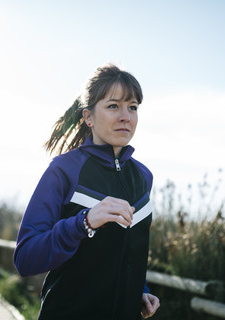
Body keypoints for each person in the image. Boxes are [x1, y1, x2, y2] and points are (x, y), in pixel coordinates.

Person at [14, 64, 160, 320]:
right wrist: (83, 222)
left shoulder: (143, 177)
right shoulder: (64, 170)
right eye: (113, 106)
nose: (126, 116)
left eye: (133, 107)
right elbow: (26, 258)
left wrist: (139, 289)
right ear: (88, 117)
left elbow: (126, 253)